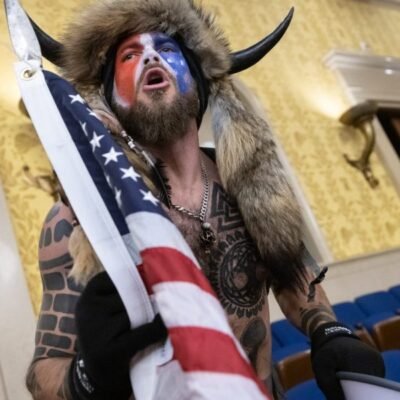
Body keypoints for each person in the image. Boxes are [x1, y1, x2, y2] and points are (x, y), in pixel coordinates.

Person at [25, 1, 385, 399]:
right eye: (129, 55)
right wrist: (88, 377)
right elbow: (43, 372)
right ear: (109, 96)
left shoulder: (252, 191)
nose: (150, 57)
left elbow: (291, 276)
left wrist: (330, 331)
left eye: (166, 49)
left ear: (198, 80)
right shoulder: (80, 219)